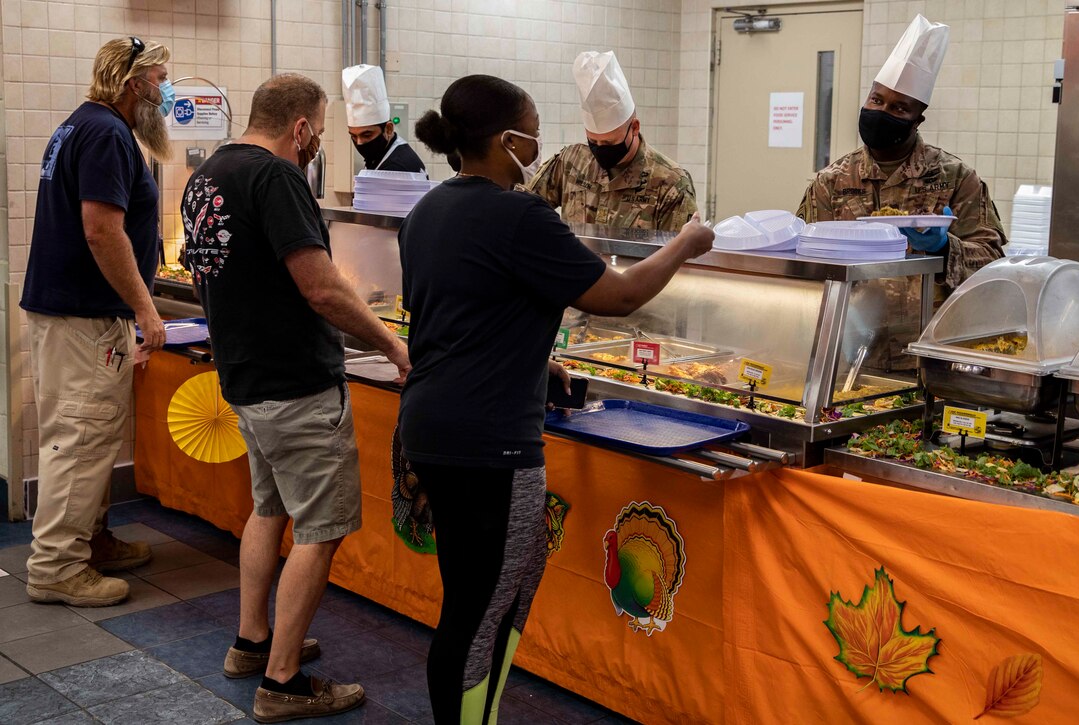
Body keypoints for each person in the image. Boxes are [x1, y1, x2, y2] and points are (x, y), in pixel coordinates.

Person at [399, 74, 713, 724]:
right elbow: (619, 296)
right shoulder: (520, 215)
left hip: (430, 427)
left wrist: (538, 369)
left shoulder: (430, 209)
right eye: (534, 127)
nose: (542, 141)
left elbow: (465, 319)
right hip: (492, 447)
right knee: (481, 612)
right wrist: (686, 243)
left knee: (488, 592)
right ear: (507, 139)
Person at [181, 73, 410, 723]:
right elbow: (321, 287)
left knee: (269, 507)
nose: (317, 145)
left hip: (246, 379)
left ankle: (253, 642)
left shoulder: (207, 176)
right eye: (319, 130)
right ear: (301, 128)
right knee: (321, 529)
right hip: (297, 385)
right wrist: (392, 344)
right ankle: (282, 680)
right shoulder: (277, 178)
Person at [21, 37, 173, 607]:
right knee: (81, 436)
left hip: (71, 311)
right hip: (82, 315)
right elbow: (101, 230)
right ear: (134, 83)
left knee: (89, 432)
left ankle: (89, 540)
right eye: (159, 77)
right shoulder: (108, 133)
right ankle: (57, 566)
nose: (165, 88)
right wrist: (144, 307)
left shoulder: (80, 125)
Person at [797, 14, 1005, 370]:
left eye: (897, 107)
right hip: (855, 354)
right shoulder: (831, 181)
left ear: (917, 119)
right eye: (876, 100)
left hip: (932, 354)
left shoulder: (955, 177)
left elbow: (993, 263)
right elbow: (803, 255)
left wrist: (944, 248)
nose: (881, 111)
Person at [527, 50, 697, 232]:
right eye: (593, 141)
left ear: (634, 128)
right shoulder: (571, 161)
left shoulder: (670, 183)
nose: (599, 149)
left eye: (608, 143)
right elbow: (524, 209)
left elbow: (680, 253)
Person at [342, 64, 427, 174]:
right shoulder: (380, 156)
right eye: (353, 136)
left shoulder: (396, 168)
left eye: (367, 135)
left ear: (389, 129)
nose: (359, 143)